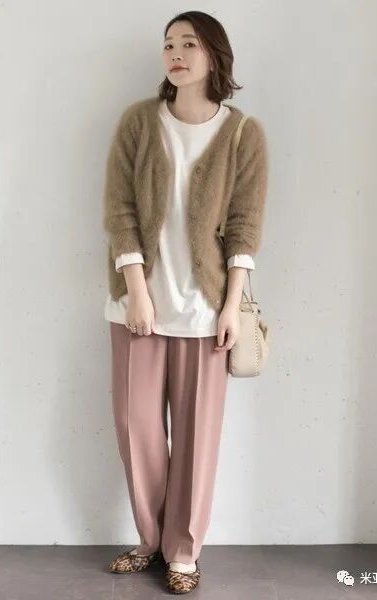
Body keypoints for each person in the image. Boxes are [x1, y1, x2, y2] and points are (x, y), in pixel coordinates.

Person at [102, 10, 269, 594]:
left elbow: (245, 226)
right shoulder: (138, 122)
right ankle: (151, 540)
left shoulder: (243, 134)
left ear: (214, 55)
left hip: (206, 311)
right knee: (135, 427)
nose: (176, 53)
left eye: (189, 43)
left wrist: (231, 305)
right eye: (169, 43)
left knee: (198, 437)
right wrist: (136, 291)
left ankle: (183, 552)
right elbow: (119, 209)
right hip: (138, 309)